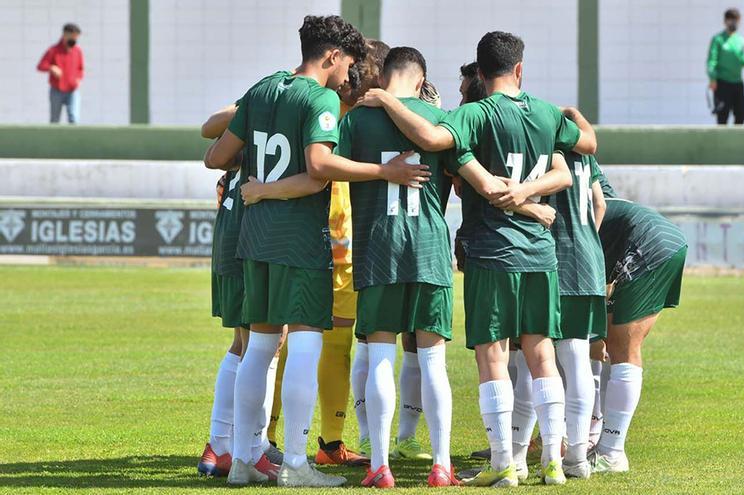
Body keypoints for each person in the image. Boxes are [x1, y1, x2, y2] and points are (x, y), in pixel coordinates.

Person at [360, 30, 597, 487]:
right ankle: (553, 459)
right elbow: (581, 151)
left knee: (492, 355)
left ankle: (504, 461)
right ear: (520, 69)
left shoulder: (473, 114)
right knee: (542, 352)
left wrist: (387, 101)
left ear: (482, 73)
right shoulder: (547, 113)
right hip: (541, 254)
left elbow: (430, 136)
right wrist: (532, 190)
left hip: (492, 251)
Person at [204, 15, 427, 487]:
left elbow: (215, 157)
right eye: (347, 63)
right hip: (298, 240)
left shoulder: (263, 89)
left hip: (253, 239)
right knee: (304, 344)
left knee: (259, 348)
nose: (349, 74)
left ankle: (243, 458)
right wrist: (383, 173)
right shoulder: (321, 97)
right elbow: (320, 165)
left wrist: (259, 187)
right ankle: (298, 465)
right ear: (331, 56)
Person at [336, 46, 459, 488]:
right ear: (420, 76)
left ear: (386, 74)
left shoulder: (357, 118)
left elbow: (332, 169)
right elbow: (461, 178)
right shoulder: (438, 122)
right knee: (432, 363)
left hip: (378, 249)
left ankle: (380, 466)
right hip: (428, 248)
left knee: (381, 357)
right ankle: (441, 466)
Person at [197, 106, 285, 478]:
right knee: (263, 342)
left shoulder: (255, 126)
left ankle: (222, 445)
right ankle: (246, 445)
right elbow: (208, 132)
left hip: (231, 233)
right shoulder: (266, 118)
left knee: (245, 343)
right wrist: (249, 104)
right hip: (245, 237)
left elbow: (209, 135)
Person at [588, 170, 688, 474]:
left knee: (620, 347)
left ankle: (611, 452)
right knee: (606, 341)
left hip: (647, 243)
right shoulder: (587, 177)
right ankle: (597, 440)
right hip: (662, 236)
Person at [707, 9, 744, 125]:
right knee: (722, 115)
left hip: (738, 83)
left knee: (741, 114)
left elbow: (741, 56)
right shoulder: (718, 39)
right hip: (722, 83)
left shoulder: (740, 39)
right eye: (731, 20)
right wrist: (712, 78)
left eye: (736, 20)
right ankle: (721, 142)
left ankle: (738, 141)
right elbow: (712, 60)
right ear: (725, 21)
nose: (733, 23)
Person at [37, 23, 83, 124]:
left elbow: (80, 69)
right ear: (65, 35)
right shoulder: (53, 50)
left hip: (72, 90)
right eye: (73, 37)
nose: (75, 40)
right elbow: (40, 66)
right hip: (56, 90)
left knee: (74, 118)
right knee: (55, 120)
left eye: (76, 38)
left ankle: (74, 139)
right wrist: (51, 67)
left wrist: (78, 79)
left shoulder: (77, 51)